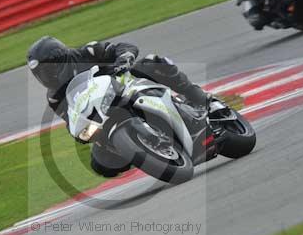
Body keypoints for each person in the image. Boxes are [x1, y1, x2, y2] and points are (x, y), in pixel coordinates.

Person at [27, 36, 210, 177]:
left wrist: (123, 58)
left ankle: (196, 96)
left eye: (46, 69)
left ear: (60, 59)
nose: (44, 76)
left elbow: (125, 47)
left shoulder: (87, 53)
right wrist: (80, 133)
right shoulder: (54, 97)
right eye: (39, 73)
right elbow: (70, 120)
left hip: (126, 87)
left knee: (153, 62)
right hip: (102, 116)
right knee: (100, 163)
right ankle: (142, 150)